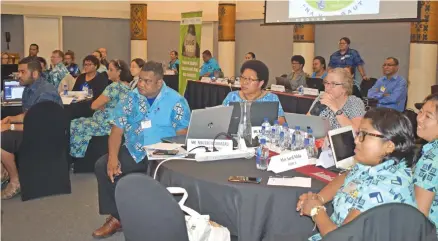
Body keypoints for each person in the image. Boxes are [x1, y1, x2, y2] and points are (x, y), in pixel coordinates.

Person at [92, 61, 191, 238]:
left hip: (164, 153)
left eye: (147, 81)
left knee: (160, 177)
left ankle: (162, 221)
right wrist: (113, 158)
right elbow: (117, 129)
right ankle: (117, 217)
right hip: (135, 149)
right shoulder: (130, 98)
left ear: (159, 83)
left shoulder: (176, 101)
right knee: (102, 165)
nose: (141, 84)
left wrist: (169, 153)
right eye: (140, 80)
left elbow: (182, 134)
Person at [297, 108, 417, 241]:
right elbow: (347, 176)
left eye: (364, 135)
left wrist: (316, 211)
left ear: (389, 146)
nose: (356, 140)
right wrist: (318, 198)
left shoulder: (385, 188)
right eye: (358, 133)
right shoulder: (372, 165)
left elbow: (342, 238)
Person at [1, 57, 62, 199]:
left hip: (46, 136)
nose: (18, 75)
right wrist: (11, 119)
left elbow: (38, 125)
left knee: (2, 138)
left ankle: (15, 181)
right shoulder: (30, 89)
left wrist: (9, 126)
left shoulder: (46, 92)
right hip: (36, 129)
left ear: (34, 73)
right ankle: (4, 172)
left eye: (22, 72)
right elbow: (28, 115)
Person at [70, 60, 132, 158]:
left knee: (75, 123)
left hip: (105, 123)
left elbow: (94, 105)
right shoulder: (128, 87)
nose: (108, 72)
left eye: (111, 70)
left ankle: (77, 156)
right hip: (119, 123)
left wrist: (101, 105)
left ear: (119, 72)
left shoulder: (114, 87)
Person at [413, 93, 438, 235]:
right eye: (420, 111)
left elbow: (418, 215)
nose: (419, 118)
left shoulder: (431, 160)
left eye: (428, 116)